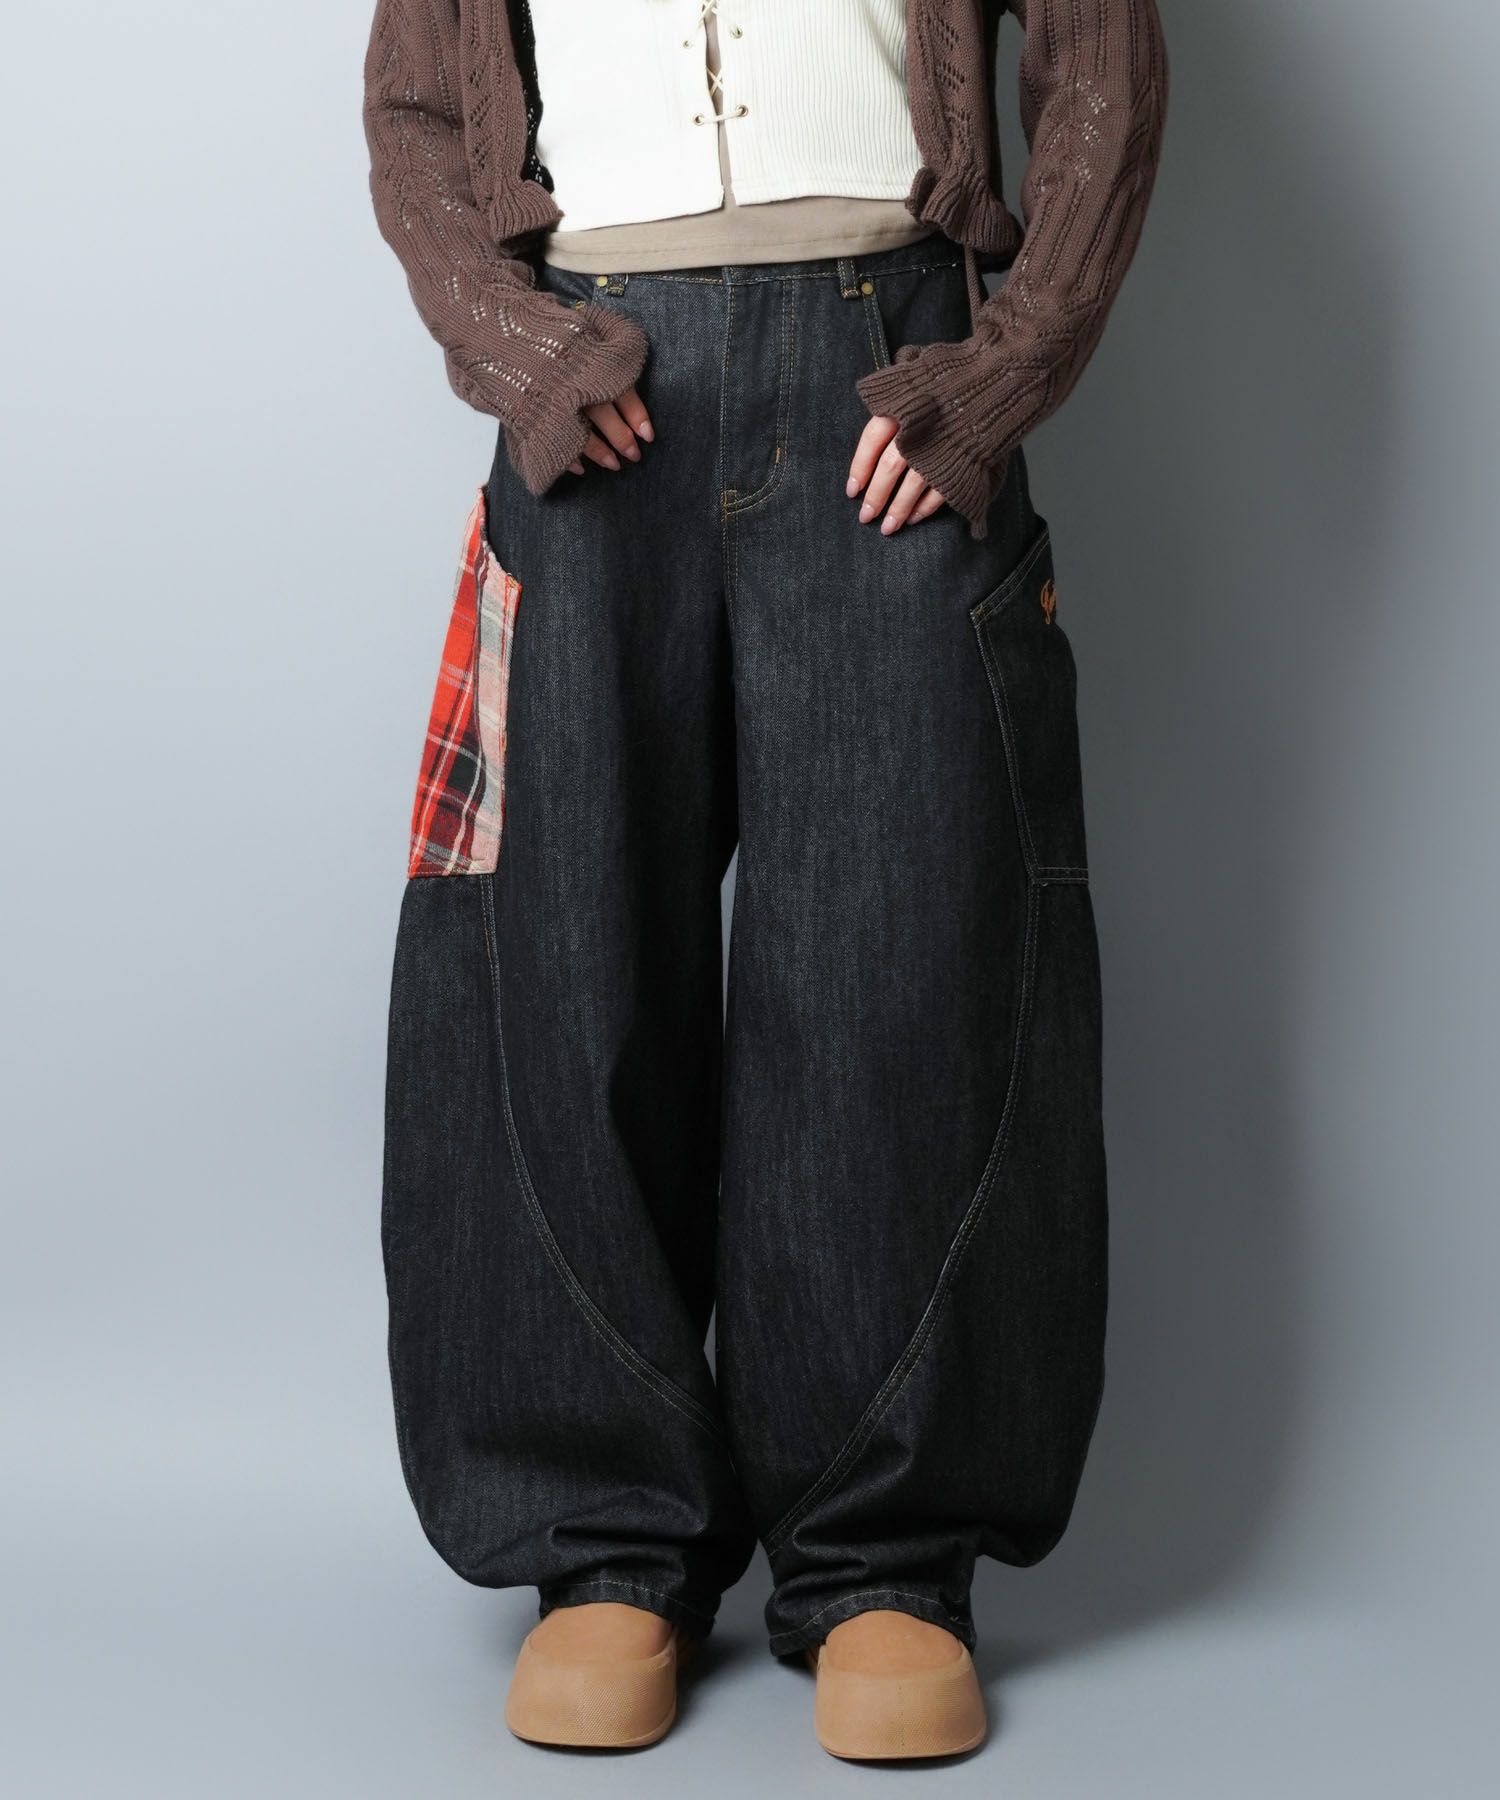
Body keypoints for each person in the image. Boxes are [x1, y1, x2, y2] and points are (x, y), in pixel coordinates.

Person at [364, 0, 1166, 1762]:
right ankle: (601, 1539)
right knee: (560, 952)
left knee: (902, 952)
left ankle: (886, 1556)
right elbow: (419, 106)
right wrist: (519, 347)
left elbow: (1100, 63)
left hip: (890, 369)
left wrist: (997, 372)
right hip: (595, 385)